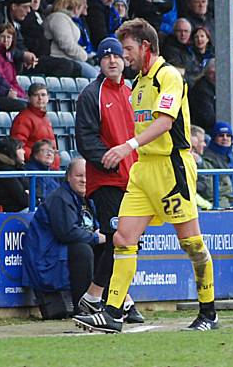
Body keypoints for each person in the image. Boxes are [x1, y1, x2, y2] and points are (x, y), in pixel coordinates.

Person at [73, 18, 217, 333]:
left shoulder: (169, 77)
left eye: (127, 49)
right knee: (123, 239)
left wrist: (127, 146)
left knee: (191, 243)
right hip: (143, 169)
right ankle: (112, 313)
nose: (123, 56)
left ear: (145, 47)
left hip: (171, 167)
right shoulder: (137, 83)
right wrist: (132, 151)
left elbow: (165, 122)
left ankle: (208, 312)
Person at [74, 37, 143, 321]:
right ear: (100, 62)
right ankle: (94, 297)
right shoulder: (92, 95)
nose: (112, 60)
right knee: (119, 239)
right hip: (107, 181)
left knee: (124, 241)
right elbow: (85, 139)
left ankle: (119, 300)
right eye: (106, 57)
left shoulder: (132, 91)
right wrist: (110, 161)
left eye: (117, 55)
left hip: (135, 179)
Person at [42, 158, 104, 308]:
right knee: (82, 250)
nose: (84, 180)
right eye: (79, 176)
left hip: (70, 247)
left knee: (108, 248)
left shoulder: (88, 198)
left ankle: (110, 302)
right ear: (68, 177)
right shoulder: (60, 198)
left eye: (87, 176)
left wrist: (100, 235)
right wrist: (95, 237)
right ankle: (82, 305)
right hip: (51, 253)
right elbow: (67, 233)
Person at [11, 83, 58, 166]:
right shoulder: (23, 119)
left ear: (48, 97)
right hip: (33, 168)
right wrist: (38, 158)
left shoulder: (45, 118)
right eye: (36, 95)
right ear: (29, 98)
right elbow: (19, 146)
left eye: (43, 95)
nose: (40, 98)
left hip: (48, 167)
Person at [0, 137, 29, 212]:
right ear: (11, 151)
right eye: (19, 148)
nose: (23, 152)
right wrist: (36, 199)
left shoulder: (17, 167)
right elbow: (23, 198)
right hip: (11, 213)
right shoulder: (3, 170)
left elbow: (35, 190)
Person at [24, 139, 61, 204]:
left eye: (52, 152)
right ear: (35, 154)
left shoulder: (54, 173)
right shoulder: (30, 172)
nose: (49, 154)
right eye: (45, 151)